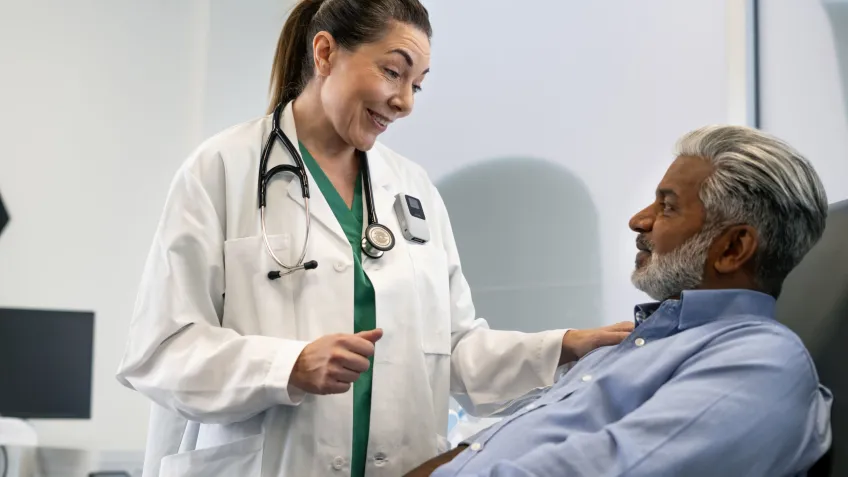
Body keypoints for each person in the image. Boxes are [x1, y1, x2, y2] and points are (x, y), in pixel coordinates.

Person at [115, 1, 633, 476]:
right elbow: (160, 351)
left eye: (418, 84)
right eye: (393, 71)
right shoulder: (222, 169)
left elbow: (452, 351)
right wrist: (287, 366)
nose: (405, 102)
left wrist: (563, 347)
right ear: (325, 53)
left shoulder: (413, 190)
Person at [405, 125, 834, 477]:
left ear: (732, 249)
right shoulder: (629, 347)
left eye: (666, 208)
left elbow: (610, 468)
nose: (638, 220)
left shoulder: (760, 360)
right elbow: (484, 447)